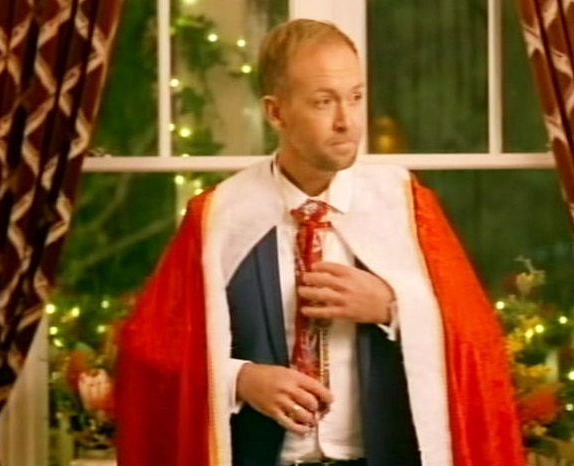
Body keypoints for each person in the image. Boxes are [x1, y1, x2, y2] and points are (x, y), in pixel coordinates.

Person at [116, 18, 524, 466]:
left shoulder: (407, 207)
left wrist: (392, 307)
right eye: (323, 102)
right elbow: (151, 355)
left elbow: (479, 340)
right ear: (276, 112)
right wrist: (240, 379)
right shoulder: (218, 217)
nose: (346, 121)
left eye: (356, 97)